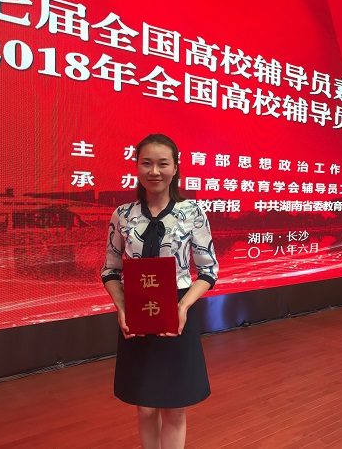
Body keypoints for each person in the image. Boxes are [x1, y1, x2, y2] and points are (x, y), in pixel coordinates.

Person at [101, 133, 219, 449]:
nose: (154, 171)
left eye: (163, 164)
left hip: (177, 310)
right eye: (147, 163)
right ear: (137, 167)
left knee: (175, 407)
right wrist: (123, 307)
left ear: (175, 168)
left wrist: (183, 307)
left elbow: (208, 271)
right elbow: (110, 270)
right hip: (137, 310)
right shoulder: (122, 215)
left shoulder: (193, 212)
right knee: (145, 407)